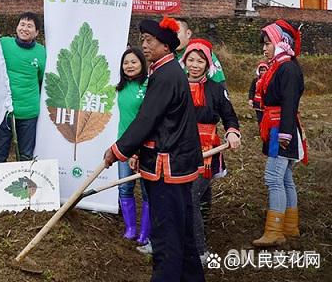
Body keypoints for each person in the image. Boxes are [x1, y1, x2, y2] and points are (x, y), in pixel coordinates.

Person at [104, 17, 204, 282]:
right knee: (181, 231)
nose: (144, 46)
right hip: (173, 162)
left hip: (167, 166)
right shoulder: (164, 71)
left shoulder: (165, 75)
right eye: (143, 41)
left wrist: (118, 150)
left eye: (149, 41)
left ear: (165, 46)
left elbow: (147, 119)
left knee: (166, 234)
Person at [181, 38, 241, 264]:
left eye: (200, 61)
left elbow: (230, 115)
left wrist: (233, 132)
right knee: (199, 195)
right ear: (185, 61)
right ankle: (201, 227)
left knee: (192, 194)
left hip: (207, 151)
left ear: (208, 64)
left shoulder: (216, 89)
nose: (195, 65)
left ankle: (199, 249)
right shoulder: (176, 85)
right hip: (181, 149)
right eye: (191, 60)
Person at [253, 20, 306, 247]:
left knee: (273, 177)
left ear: (281, 43)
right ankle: (289, 226)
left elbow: (289, 103)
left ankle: (275, 230)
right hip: (277, 128)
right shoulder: (280, 67)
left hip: (281, 130)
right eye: (263, 44)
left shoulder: (288, 69)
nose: (264, 49)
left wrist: (285, 135)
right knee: (284, 178)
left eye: (267, 43)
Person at [0, 12, 46, 163]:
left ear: (37, 32)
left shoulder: (42, 53)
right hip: (4, 111)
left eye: (29, 26)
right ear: (17, 27)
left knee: (26, 156)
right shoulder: (4, 44)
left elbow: (42, 79)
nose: (25, 29)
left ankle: (25, 186)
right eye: (22, 24)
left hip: (28, 112)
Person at [115, 47, 151, 247]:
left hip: (145, 146)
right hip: (124, 145)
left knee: (147, 190)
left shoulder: (148, 85)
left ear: (142, 64)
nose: (129, 66)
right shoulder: (120, 87)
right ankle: (130, 228)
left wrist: (138, 150)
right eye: (126, 62)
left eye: (134, 62)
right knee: (125, 187)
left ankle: (145, 232)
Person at [175, 18, 226, 84]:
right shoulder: (166, 54)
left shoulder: (203, 52)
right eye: (169, 34)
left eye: (176, 33)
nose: (172, 37)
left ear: (188, 33)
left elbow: (220, 84)